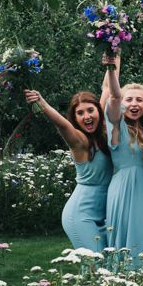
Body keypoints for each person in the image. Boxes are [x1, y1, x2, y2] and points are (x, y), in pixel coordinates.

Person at [25, 89, 112, 251]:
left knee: (105, 266)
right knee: (97, 264)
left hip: (102, 216)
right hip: (80, 215)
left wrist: (113, 64)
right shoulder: (80, 142)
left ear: (99, 111)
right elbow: (62, 124)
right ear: (75, 118)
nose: (87, 116)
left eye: (90, 110)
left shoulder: (104, 136)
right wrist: (41, 102)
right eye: (80, 113)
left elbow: (107, 88)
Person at [104, 55, 143, 268]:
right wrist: (111, 67)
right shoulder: (117, 126)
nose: (134, 104)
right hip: (124, 188)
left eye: (139, 100)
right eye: (129, 99)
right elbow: (113, 99)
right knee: (127, 237)